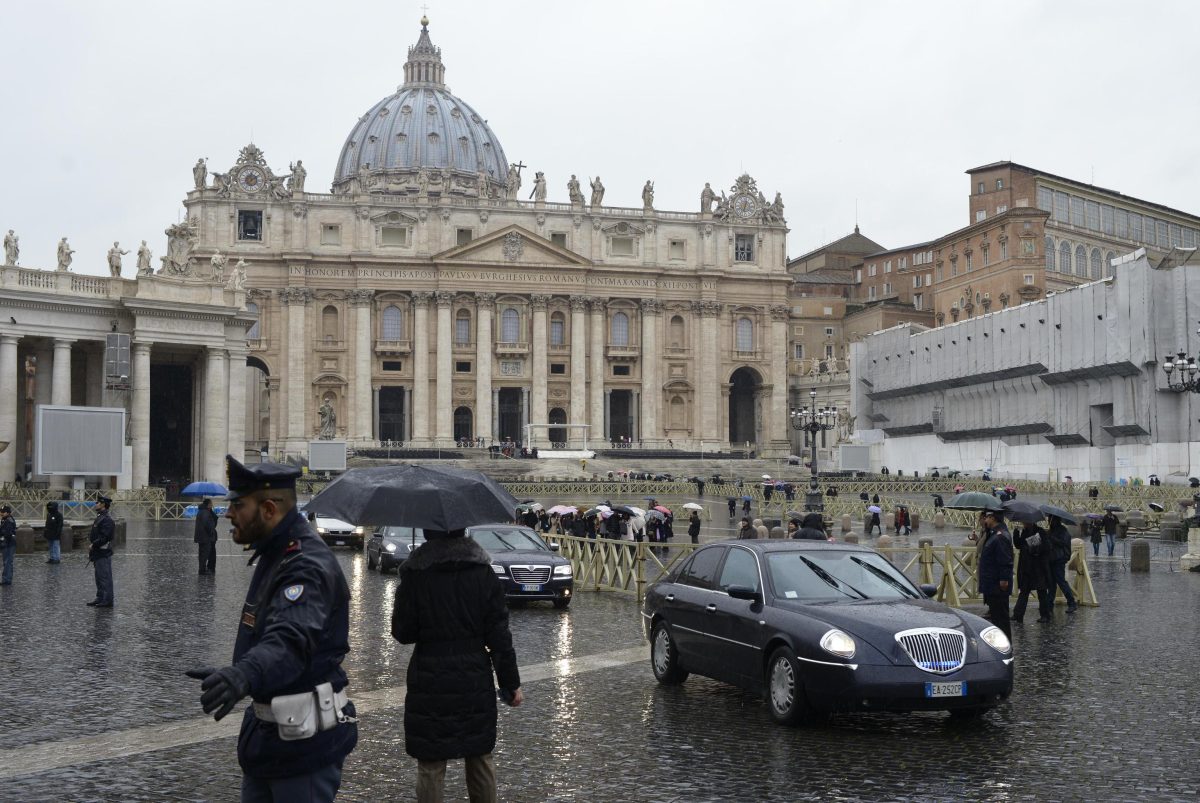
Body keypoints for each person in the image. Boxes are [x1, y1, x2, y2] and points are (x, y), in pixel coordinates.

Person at [185, 456, 357, 801]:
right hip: (272, 741)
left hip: (303, 748)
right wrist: (241, 671)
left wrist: (245, 673)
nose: (228, 514)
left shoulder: (305, 565)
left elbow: (290, 640)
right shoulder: (276, 554)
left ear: (268, 510)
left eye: (238, 505)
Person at [391, 526, 522, 803]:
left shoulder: (417, 575)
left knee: (431, 762)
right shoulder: (483, 573)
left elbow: (403, 633)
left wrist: (406, 588)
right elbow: (499, 635)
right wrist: (510, 683)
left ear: (427, 533)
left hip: (430, 678)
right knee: (479, 756)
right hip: (473, 676)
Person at [976, 509, 1013, 638]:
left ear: (993, 518)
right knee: (996, 618)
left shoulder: (1000, 536)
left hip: (997, 585)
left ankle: (1006, 643)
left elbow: (1005, 560)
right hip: (992, 584)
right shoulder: (993, 534)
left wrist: (1004, 579)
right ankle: (1000, 643)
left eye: (987, 517)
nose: (985, 520)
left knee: (1001, 619)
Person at [1012, 523, 1052, 623]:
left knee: (1041, 592)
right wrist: (1016, 533)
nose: (1023, 523)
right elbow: (1018, 545)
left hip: (1038, 568)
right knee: (1024, 591)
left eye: (1025, 521)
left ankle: (1045, 615)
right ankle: (1018, 614)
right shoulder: (1024, 532)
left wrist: (1034, 544)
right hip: (1026, 567)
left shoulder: (1040, 531)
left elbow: (1046, 547)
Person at [1046, 515, 1078, 612]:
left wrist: (1051, 538)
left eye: (1050, 519)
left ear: (1055, 520)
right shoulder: (1052, 530)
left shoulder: (1063, 530)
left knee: (1061, 582)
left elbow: (1063, 542)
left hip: (1059, 559)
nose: (1049, 521)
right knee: (1051, 584)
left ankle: (1072, 603)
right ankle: (1049, 605)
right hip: (1051, 559)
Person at [87, 496, 116, 607]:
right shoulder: (100, 517)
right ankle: (100, 597)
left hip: (103, 552)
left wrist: (94, 544)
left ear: (103, 504)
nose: (96, 504)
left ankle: (107, 600)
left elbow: (105, 537)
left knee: (104, 577)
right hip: (97, 552)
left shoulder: (107, 519)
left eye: (98, 502)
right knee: (99, 577)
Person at [194, 498, 219, 575]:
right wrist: (211, 533)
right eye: (211, 503)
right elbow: (208, 525)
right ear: (208, 504)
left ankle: (202, 569)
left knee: (202, 554)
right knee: (204, 554)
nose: (212, 505)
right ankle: (202, 570)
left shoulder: (203, 511)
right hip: (206, 537)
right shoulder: (205, 513)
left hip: (202, 537)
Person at [0, 505, 16, 584]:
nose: (1, 513)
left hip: (9, 544)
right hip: (6, 544)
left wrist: (1, 535)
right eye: (1, 512)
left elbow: (8, 533)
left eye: (3, 512)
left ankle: (7, 580)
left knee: (8, 562)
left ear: (8, 513)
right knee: (6, 562)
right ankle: (6, 579)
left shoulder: (9, 520)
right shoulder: (4, 519)